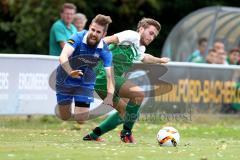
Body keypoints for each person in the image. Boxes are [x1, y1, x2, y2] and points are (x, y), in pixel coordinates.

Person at [83, 18, 169, 143]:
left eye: (154, 36)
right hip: (104, 76)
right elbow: (107, 40)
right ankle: (126, 134)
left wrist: (160, 60)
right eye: (150, 33)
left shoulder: (139, 47)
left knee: (128, 114)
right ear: (141, 29)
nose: (152, 38)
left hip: (103, 81)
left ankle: (93, 135)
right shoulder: (132, 35)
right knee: (138, 94)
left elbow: (145, 58)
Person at [55, 14, 114, 124]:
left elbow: (110, 77)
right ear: (90, 26)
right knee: (65, 116)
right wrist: (70, 72)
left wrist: (110, 96)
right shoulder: (77, 37)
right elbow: (63, 56)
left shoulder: (105, 51)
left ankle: (80, 108)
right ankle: (69, 105)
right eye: (93, 30)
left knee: (81, 119)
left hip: (85, 80)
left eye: (98, 32)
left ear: (104, 34)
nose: (94, 34)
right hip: (65, 77)